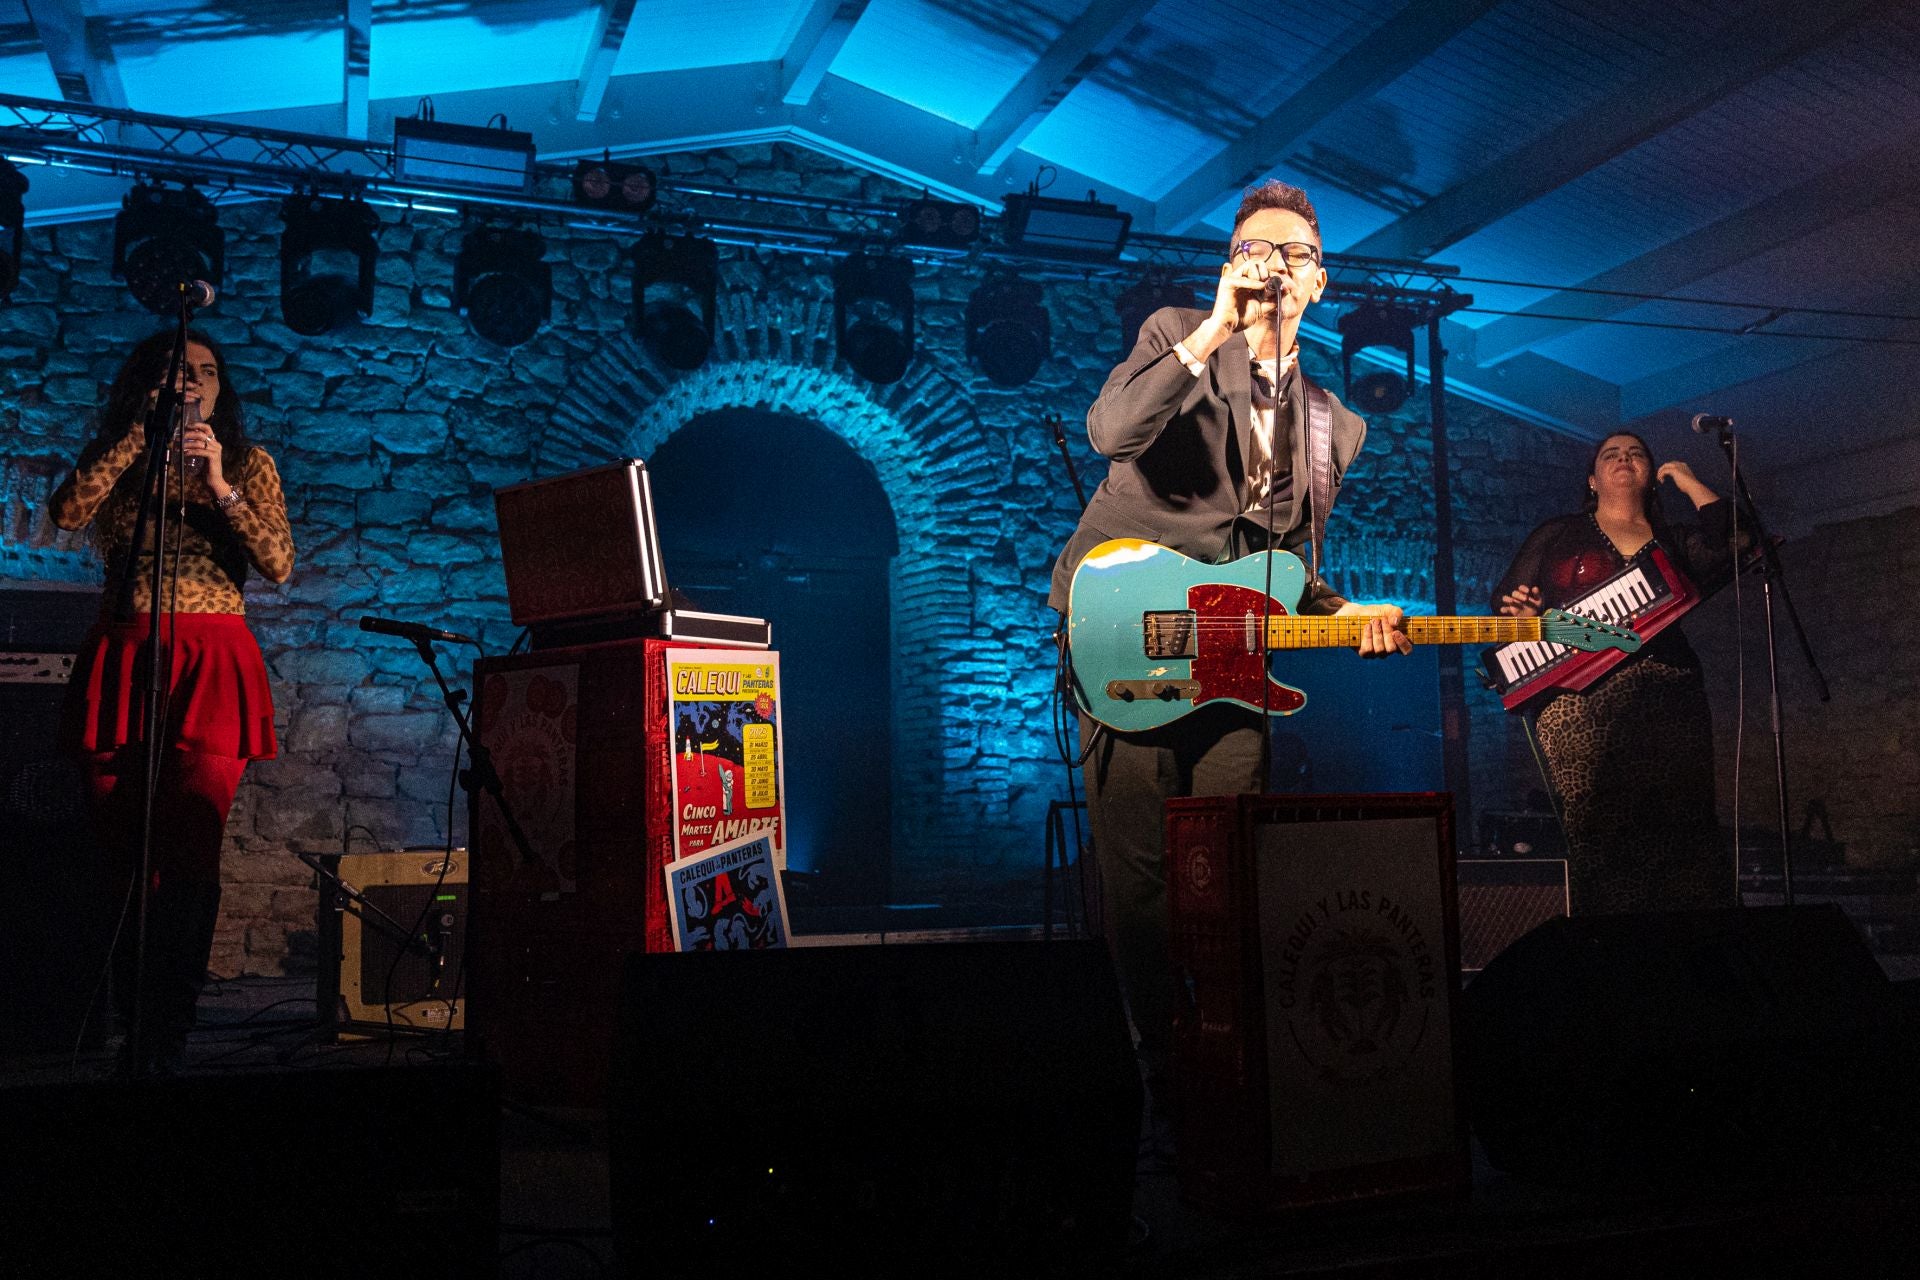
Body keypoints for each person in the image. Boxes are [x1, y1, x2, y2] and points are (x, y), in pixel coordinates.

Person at [1048, 180, 1409, 1107]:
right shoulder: (1178, 332)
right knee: (1137, 868)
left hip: (1235, 650)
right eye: (1254, 249)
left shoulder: (1340, 426)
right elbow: (1109, 433)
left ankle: (1230, 1046)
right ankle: (1159, 1065)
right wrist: (1214, 327)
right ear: (1228, 267)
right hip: (1126, 630)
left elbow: (1290, 568)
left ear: (1320, 282)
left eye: (1291, 254)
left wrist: (1348, 614)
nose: (1273, 266)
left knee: (1230, 848)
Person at [49, 329, 295, 1074]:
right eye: (178, 372)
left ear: (223, 391)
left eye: (208, 373)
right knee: (121, 849)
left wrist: (219, 482)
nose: (196, 383)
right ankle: (126, 1019)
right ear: (146, 383)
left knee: (189, 845)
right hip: (125, 649)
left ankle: (170, 1025)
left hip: (211, 658)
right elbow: (66, 513)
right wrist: (136, 436)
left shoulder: (248, 463)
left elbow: (279, 563)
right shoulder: (121, 457)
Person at [1493, 431, 1737, 915]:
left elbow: (1738, 542)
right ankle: (1614, 958)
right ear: (1592, 479)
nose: (1624, 459)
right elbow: (1504, 611)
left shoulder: (1675, 540)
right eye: (1611, 454)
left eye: (1636, 453)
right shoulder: (1559, 534)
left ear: (1650, 476)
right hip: (1577, 699)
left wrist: (1688, 481)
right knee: (1602, 834)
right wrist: (1524, 616)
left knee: (1684, 831)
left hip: (1672, 694)